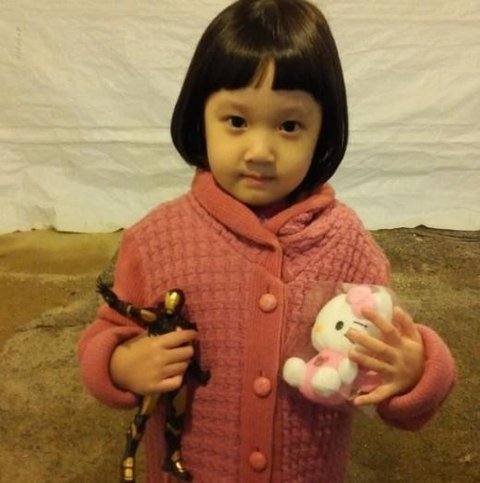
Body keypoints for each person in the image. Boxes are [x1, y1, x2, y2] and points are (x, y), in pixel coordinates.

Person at [78, 1, 456, 482]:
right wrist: (120, 365)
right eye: (236, 121)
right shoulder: (156, 240)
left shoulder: (347, 244)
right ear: (200, 117)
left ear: (323, 132)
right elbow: (107, 332)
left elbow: (384, 361)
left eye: (289, 126)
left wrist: (415, 369)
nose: (260, 151)